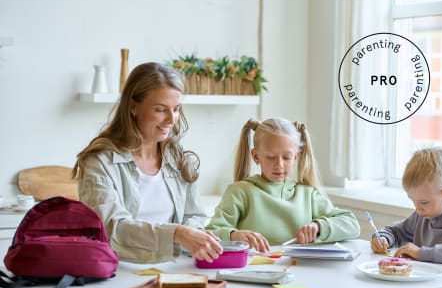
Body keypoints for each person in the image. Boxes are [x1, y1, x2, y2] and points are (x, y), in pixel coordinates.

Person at [72, 62, 222, 264]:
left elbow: (194, 215)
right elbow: (112, 227)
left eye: (176, 109)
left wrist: (193, 235)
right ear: (133, 107)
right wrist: (177, 234)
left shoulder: (179, 159)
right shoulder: (99, 162)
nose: (171, 119)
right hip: (118, 270)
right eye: (161, 109)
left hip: (175, 268)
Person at [206, 118, 360, 252]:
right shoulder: (240, 192)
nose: (279, 165)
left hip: (299, 271)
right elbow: (211, 232)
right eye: (271, 157)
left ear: (296, 157)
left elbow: (352, 224)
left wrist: (319, 226)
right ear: (255, 156)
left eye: (286, 157)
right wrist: (234, 235)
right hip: (254, 270)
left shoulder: (307, 194)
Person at [370, 146, 442, 265]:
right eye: (413, 201)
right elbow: (395, 232)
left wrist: (422, 253)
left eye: (424, 202)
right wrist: (383, 238)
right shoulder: (421, 216)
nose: (417, 208)